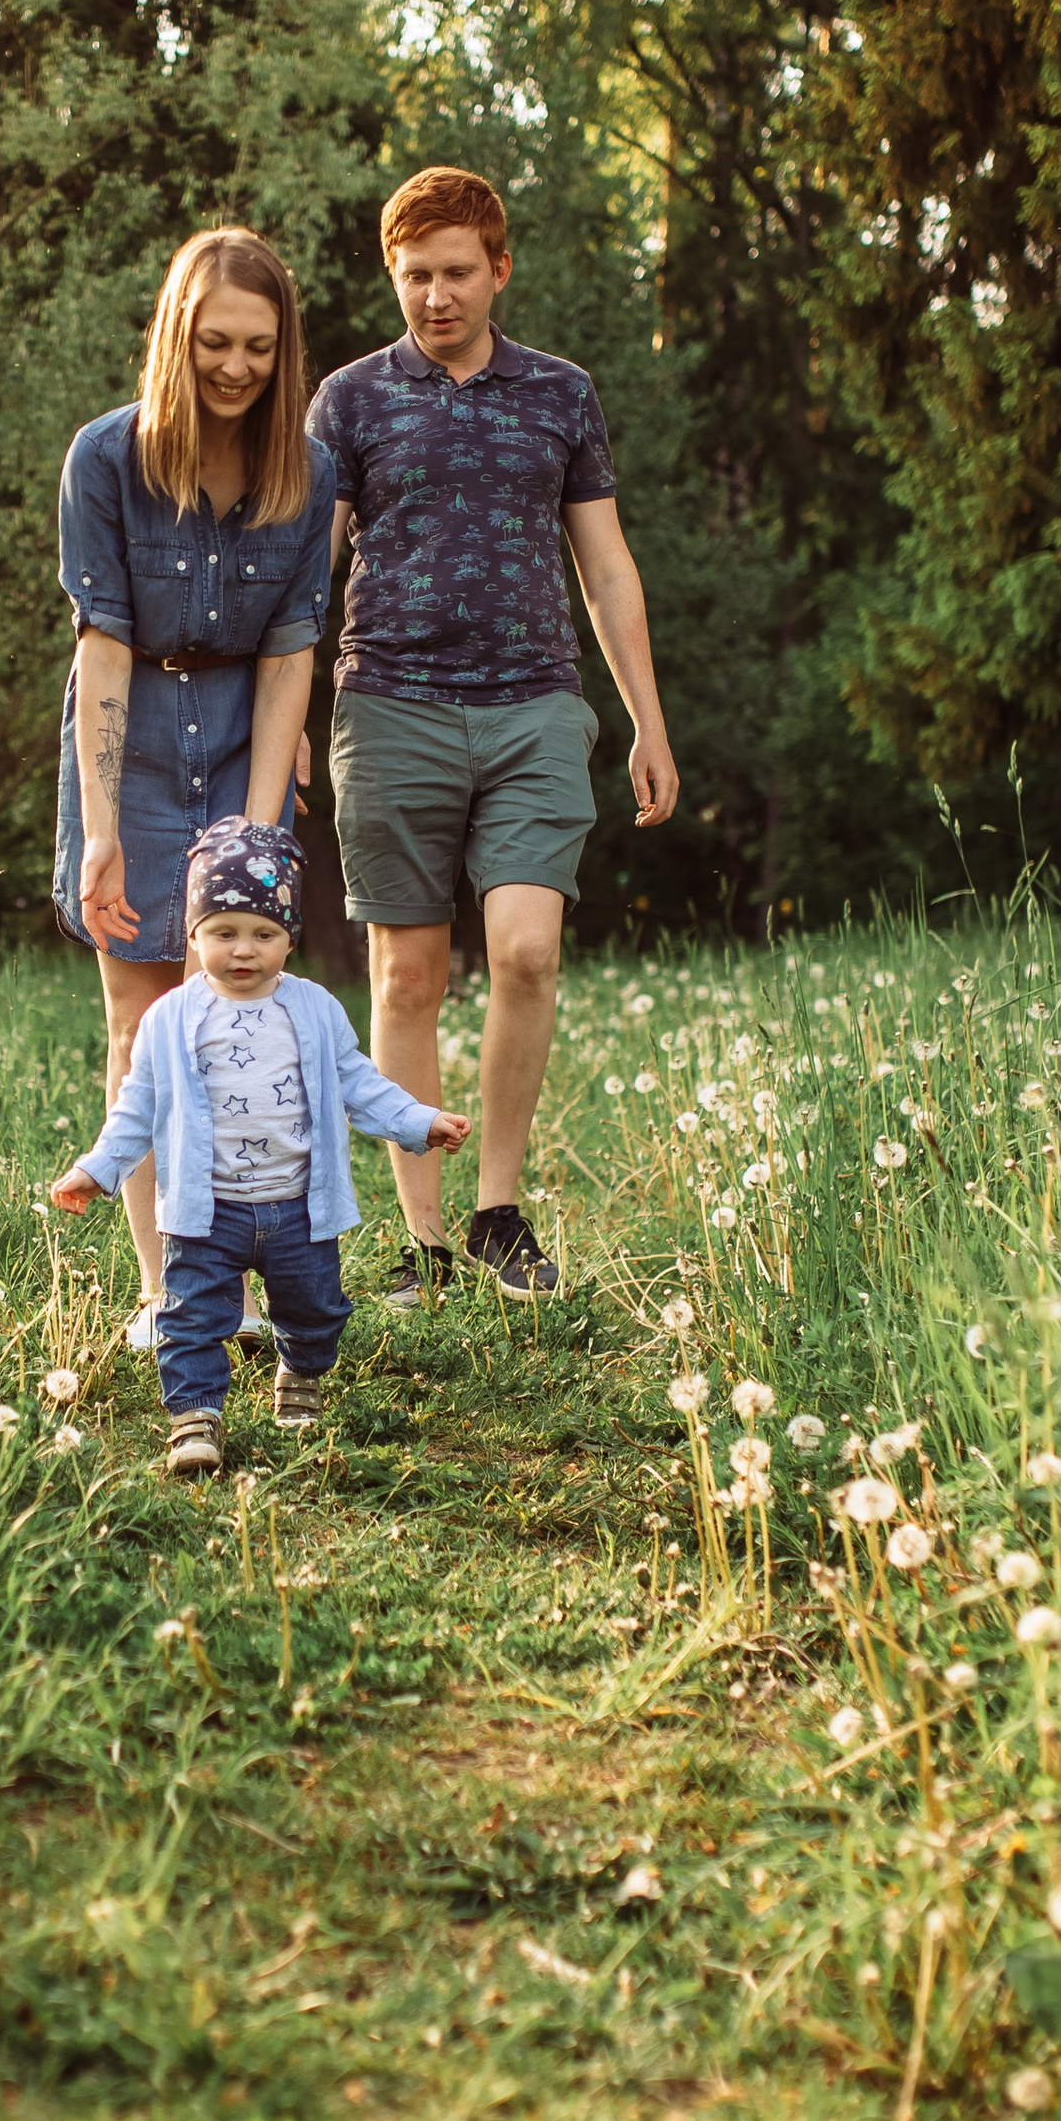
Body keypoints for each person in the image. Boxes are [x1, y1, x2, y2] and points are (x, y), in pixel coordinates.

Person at [311, 166, 679, 1304]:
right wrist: (273, 722)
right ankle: (422, 1243)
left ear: (499, 269)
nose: (434, 296)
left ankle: (497, 1214)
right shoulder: (349, 401)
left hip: (533, 705)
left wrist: (644, 722)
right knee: (408, 974)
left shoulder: (560, 394)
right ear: (393, 276)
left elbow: (606, 567)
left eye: (456, 273)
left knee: (524, 949)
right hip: (388, 705)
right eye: (414, 276)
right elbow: (306, 574)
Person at [53, 229, 335, 1351]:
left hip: (239, 738)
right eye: (213, 341)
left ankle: (233, 1273)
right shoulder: (106, 459)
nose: (233, 367)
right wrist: (103, 830)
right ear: (176, 334)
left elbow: (287, 663)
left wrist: (262, 837)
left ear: (284, 351)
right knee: (140, 1020)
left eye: (258, 348)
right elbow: (103, 648)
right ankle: (166, 1290)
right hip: (128, 744)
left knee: (235, 1019)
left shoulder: (301, 479)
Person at [51, 818, 467, 1475]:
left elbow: (357, 1081)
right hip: (205, 1210)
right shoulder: (170, 1018)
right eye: (223, 933)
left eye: (263, 934)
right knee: (187, 1316)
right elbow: (137, 1107)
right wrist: (96, 1169)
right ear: (193, 934)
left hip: (297, 1207)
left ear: (289, 939)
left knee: (316, 1307)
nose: (243, 950)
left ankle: (300, 1374)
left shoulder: (314, 1009)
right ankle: (195, 1419)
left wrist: (418, 1121)